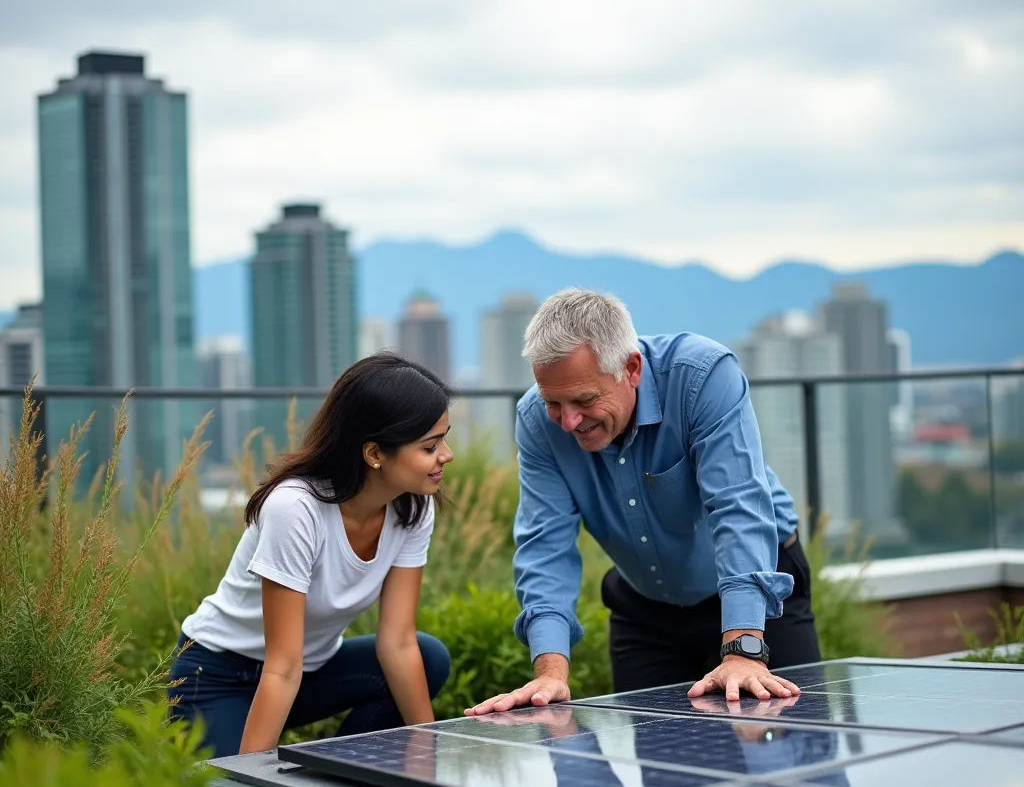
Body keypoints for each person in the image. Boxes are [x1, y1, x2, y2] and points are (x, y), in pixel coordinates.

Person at [466, 289, 818, 717]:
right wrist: (550, 672)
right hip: (645, 609)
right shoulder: (537, 422)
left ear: (631, 368)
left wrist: (744, 650)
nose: (569, 421)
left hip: (761, 593)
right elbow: (545, 546)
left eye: (583, 400)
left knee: (788, 750)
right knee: (666, 771)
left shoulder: (702, 375)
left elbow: (738, 507)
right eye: (553, 402)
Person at [169, 353, 454, 758]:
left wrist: (426, 752)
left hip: (308, 674)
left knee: (427, 657)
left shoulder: (412, 506)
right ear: (374, 454)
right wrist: (256, 781)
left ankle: (344, 779)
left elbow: (398, 643)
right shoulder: (294, 508)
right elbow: (281, 666)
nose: (447, 454)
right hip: (218, 676)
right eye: (430, 446)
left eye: (443, 438)